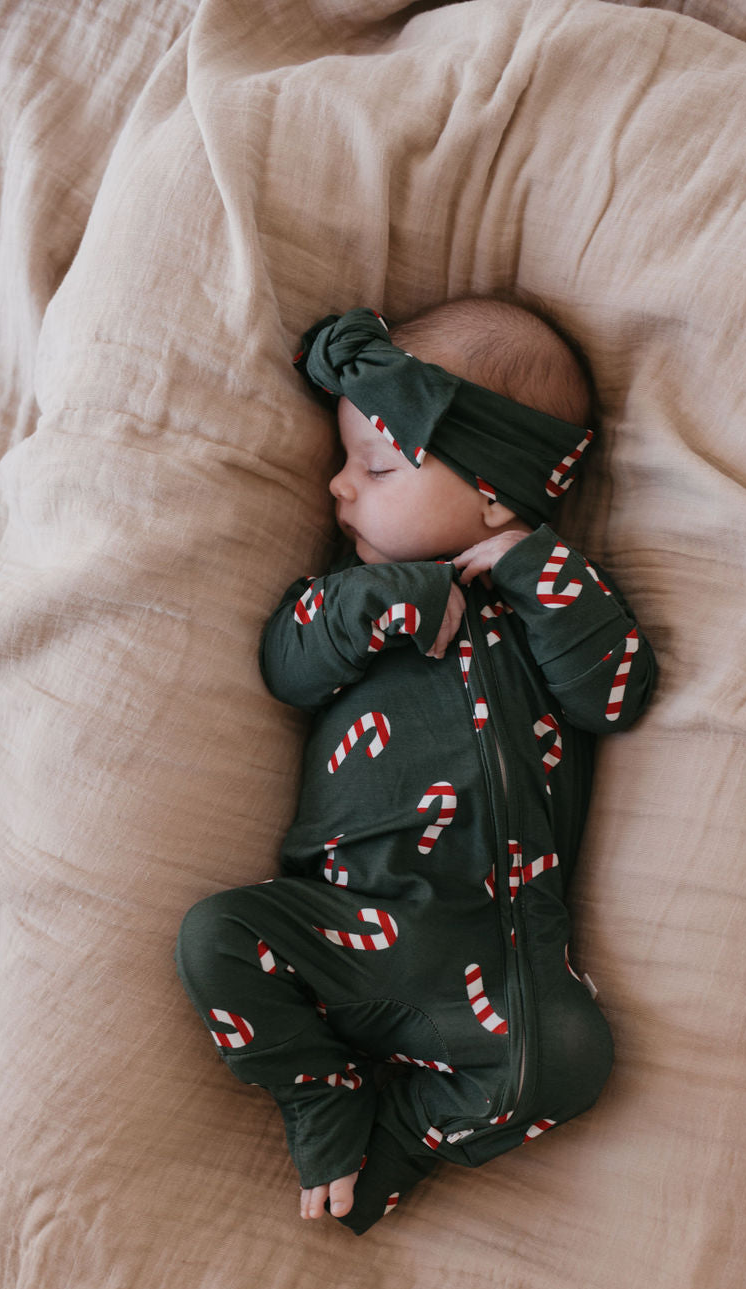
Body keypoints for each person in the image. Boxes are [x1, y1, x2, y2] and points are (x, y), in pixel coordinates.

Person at [175, 297, 658, 1234]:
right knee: (215, 937)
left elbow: (615, 693)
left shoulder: (545, 604)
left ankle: (388, 1146)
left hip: (488, 952)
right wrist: (384, 600)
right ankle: (319, 1093)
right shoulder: (348, 599)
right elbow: (286, 663)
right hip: (349, 926)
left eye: (377, 466)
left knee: (570, 1059)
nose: (338, 489)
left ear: (492, 492)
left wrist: (530, 566)